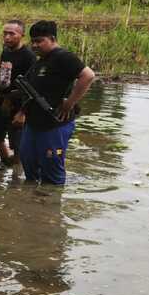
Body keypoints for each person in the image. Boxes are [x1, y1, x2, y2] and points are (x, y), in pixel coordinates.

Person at [17, 20, 95, 185]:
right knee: (27, 161)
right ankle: (29, 202)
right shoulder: (40, 61)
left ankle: (51, 205)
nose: (35, 45)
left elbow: (88, 75)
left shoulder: (63, 57)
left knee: (51, 168)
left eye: (40, 41)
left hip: (54, 123)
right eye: (33, 41)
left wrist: (70, 103)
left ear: (52, 39)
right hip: (33, 123)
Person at [0, 20, 36, 164]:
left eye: (11, 34)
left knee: (17, 142)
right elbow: (2, 78)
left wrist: (23, 112)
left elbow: (31, 88)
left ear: (22, 36)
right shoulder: (6, 51)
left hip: (19, 104)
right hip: (1, 100)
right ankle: (6, 164)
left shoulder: (29, 56)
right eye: (5, 33)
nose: (7, 37)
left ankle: (16, 176)